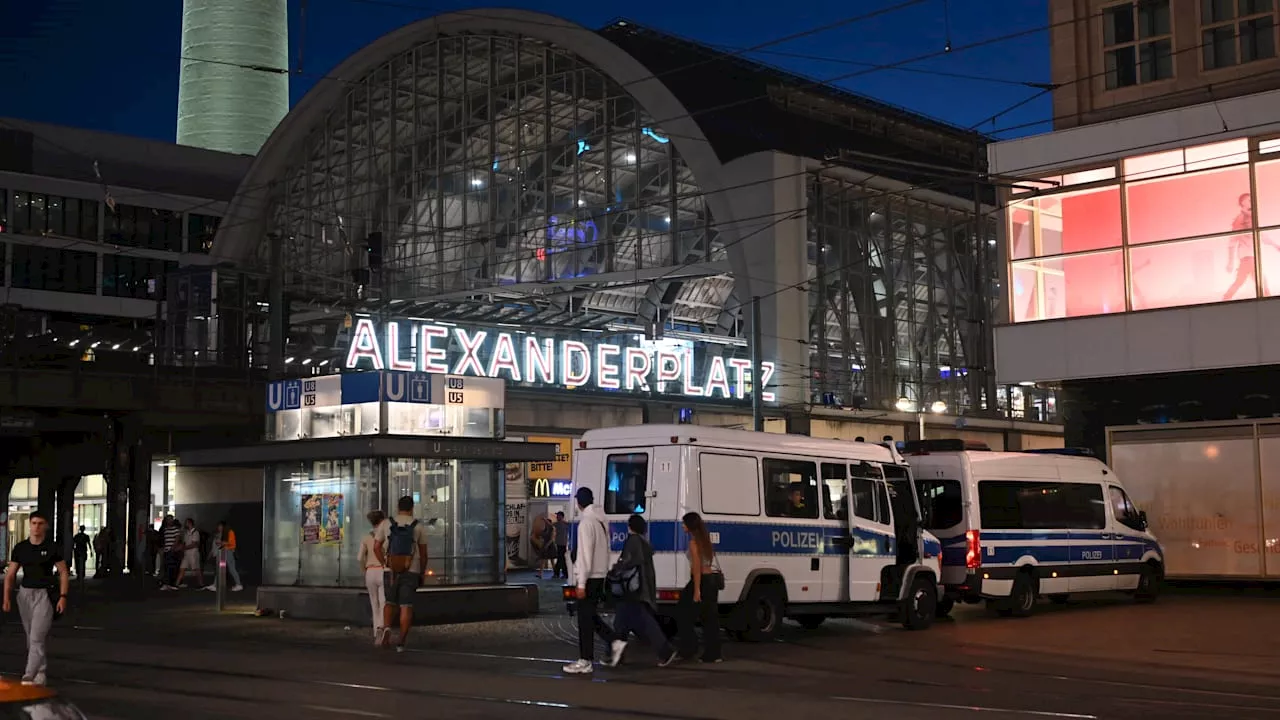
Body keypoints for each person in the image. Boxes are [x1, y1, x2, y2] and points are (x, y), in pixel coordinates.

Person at [3, 512, 69, 686]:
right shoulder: (21, 548)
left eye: (40, 523)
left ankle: (29, 675)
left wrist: (63, 596)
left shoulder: (52, 547)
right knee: (30, 636)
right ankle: (40, 673)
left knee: (36, 637)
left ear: (45, 526)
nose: (36, 527)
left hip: (44, 594)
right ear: (29, 524)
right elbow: (10, 574)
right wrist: (6, 598)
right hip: (24, 594)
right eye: (33, 523)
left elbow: (63, 572)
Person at [562, 486, 620, 675]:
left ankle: (585, 660)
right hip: (600, 575)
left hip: (589, 577)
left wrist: (580, 583)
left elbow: (585, 555)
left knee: (584, 620)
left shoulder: (586, 523)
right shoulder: (601, 521)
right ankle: (614, 640)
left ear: (578, 502)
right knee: (590, 615)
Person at [607, 514, 678, 668]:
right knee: (623, 621)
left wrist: (614, 570)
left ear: (630, 526)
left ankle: (664, 651)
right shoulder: (644, 542)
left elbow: (628, 562)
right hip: (641, 588)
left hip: (633, 589)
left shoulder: (633, 541)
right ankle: (615, 654)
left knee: (640, 621)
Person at [374, 496, 429, 652]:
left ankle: (387, 628)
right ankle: (401, 642)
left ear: (398, 507)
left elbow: (376, 547)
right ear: (412, 508)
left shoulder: (386, 523)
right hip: (411, 570)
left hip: (390, 570)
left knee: (389, 602)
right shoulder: (418, 527)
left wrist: (384, 562)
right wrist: (422, 572)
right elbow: (424, 554)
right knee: (406, 606)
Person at [675, 512, 722, 664]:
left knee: (682, 613)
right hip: (712, 580)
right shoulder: (706, 541)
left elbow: (696, 567)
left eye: (684, 523)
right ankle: (714, 653)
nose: (682, 526)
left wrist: (696, 590)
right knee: (710, 618)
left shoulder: (694, 544)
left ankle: (689, 648)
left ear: (690, 525)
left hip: (700, 581)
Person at [357, 510, 387, 644]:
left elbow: (359, 558)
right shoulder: (386, 536)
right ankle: (382, 627)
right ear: (382, 521)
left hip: (370, 571)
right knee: (383, 602)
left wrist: (364, 571)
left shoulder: (366, 537)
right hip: (382, 570)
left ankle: (376, 632)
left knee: (374, 603)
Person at [203, 521, 243, 592]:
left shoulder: (229, 532)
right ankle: (215, 585)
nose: (218, 528)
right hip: (223, 553)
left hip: (228, 553)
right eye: (218, 526)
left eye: (220, 526)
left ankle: (238, 584)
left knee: (231, 569)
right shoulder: (222, 534)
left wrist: (221, 542)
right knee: (220, 568)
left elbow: (232, 543)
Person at [173, 518, 204, 589]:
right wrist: (181, 548)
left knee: (196, 569)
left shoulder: (195, 532)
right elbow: (185, 543)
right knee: (182, 568)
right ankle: (176, 584)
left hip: (193, 553)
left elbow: (195, 544)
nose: (185, 524)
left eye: (186, 523)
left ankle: (201, 584)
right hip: (187, 553)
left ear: (190, 523)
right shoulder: (186, 532)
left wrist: (183, 548)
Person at [160, 516, 182, 590]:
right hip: (166, 550)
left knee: (171, 567)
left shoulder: (175, 529)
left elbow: (177, 539)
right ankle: (167, 583)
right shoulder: (165, 529)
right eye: (167, 520)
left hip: (172, 551)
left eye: (170, 520)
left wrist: (173, 548)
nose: (169, 521)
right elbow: (165, 540)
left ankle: (171, 583)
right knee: (167, 567)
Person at [553, 511, 569, 580]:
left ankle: (564, 574)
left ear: (561, 516)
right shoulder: (565, 524)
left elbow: (550, 524)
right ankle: (558, 573)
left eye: (558, 516)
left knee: (561, 559)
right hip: (561, 544)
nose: (557, 517)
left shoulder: (560, 524)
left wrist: (544, 520)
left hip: (562, 544)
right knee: (560, 559)